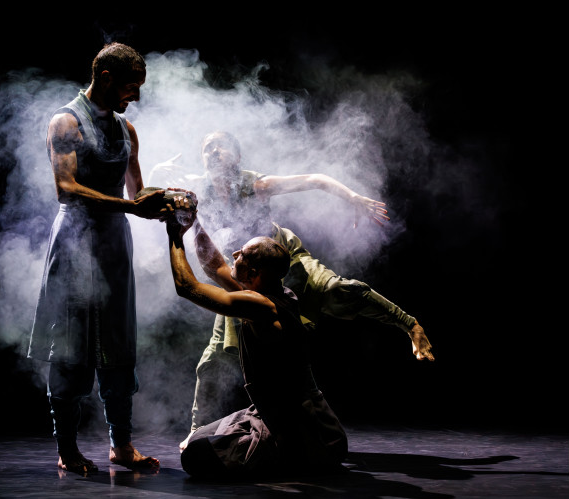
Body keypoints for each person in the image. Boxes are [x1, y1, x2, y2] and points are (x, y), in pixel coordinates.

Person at [149, 131, 434, 448]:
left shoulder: (257, 185)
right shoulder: (196, 187)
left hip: (283, 259)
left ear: (238, 156)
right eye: (207, 147)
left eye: (222, 145)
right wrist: (156, 174)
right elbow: (151, 196)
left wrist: (353, 199)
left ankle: (409, 324)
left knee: (340, 290)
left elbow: (315, 179)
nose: (214, 151)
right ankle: (197, 430)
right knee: (217, 356)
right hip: (246, 271)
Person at [27, 42, 165, 475]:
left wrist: (169, 201)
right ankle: (67, 450)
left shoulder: (127, 130)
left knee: (119, 343)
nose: (135, 96)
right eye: (129, 87)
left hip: (113, 246)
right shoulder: (66, 121)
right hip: (75, 242)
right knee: (70, 344)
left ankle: (121, 445)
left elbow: (137, 192)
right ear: (105, 77)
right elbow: (66, 188)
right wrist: (130, 208)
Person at [164, 197, 348, 478]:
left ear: (253, 273)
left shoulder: (263, 306)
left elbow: (187, 287)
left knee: (196, 456)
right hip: (277, 411)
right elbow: (216, 267)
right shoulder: (274, 291)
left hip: (303, 426)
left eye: (242, 254)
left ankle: (295, 459)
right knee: (200, 437)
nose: (235, 253)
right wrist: (194, 224)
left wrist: (174, 235)